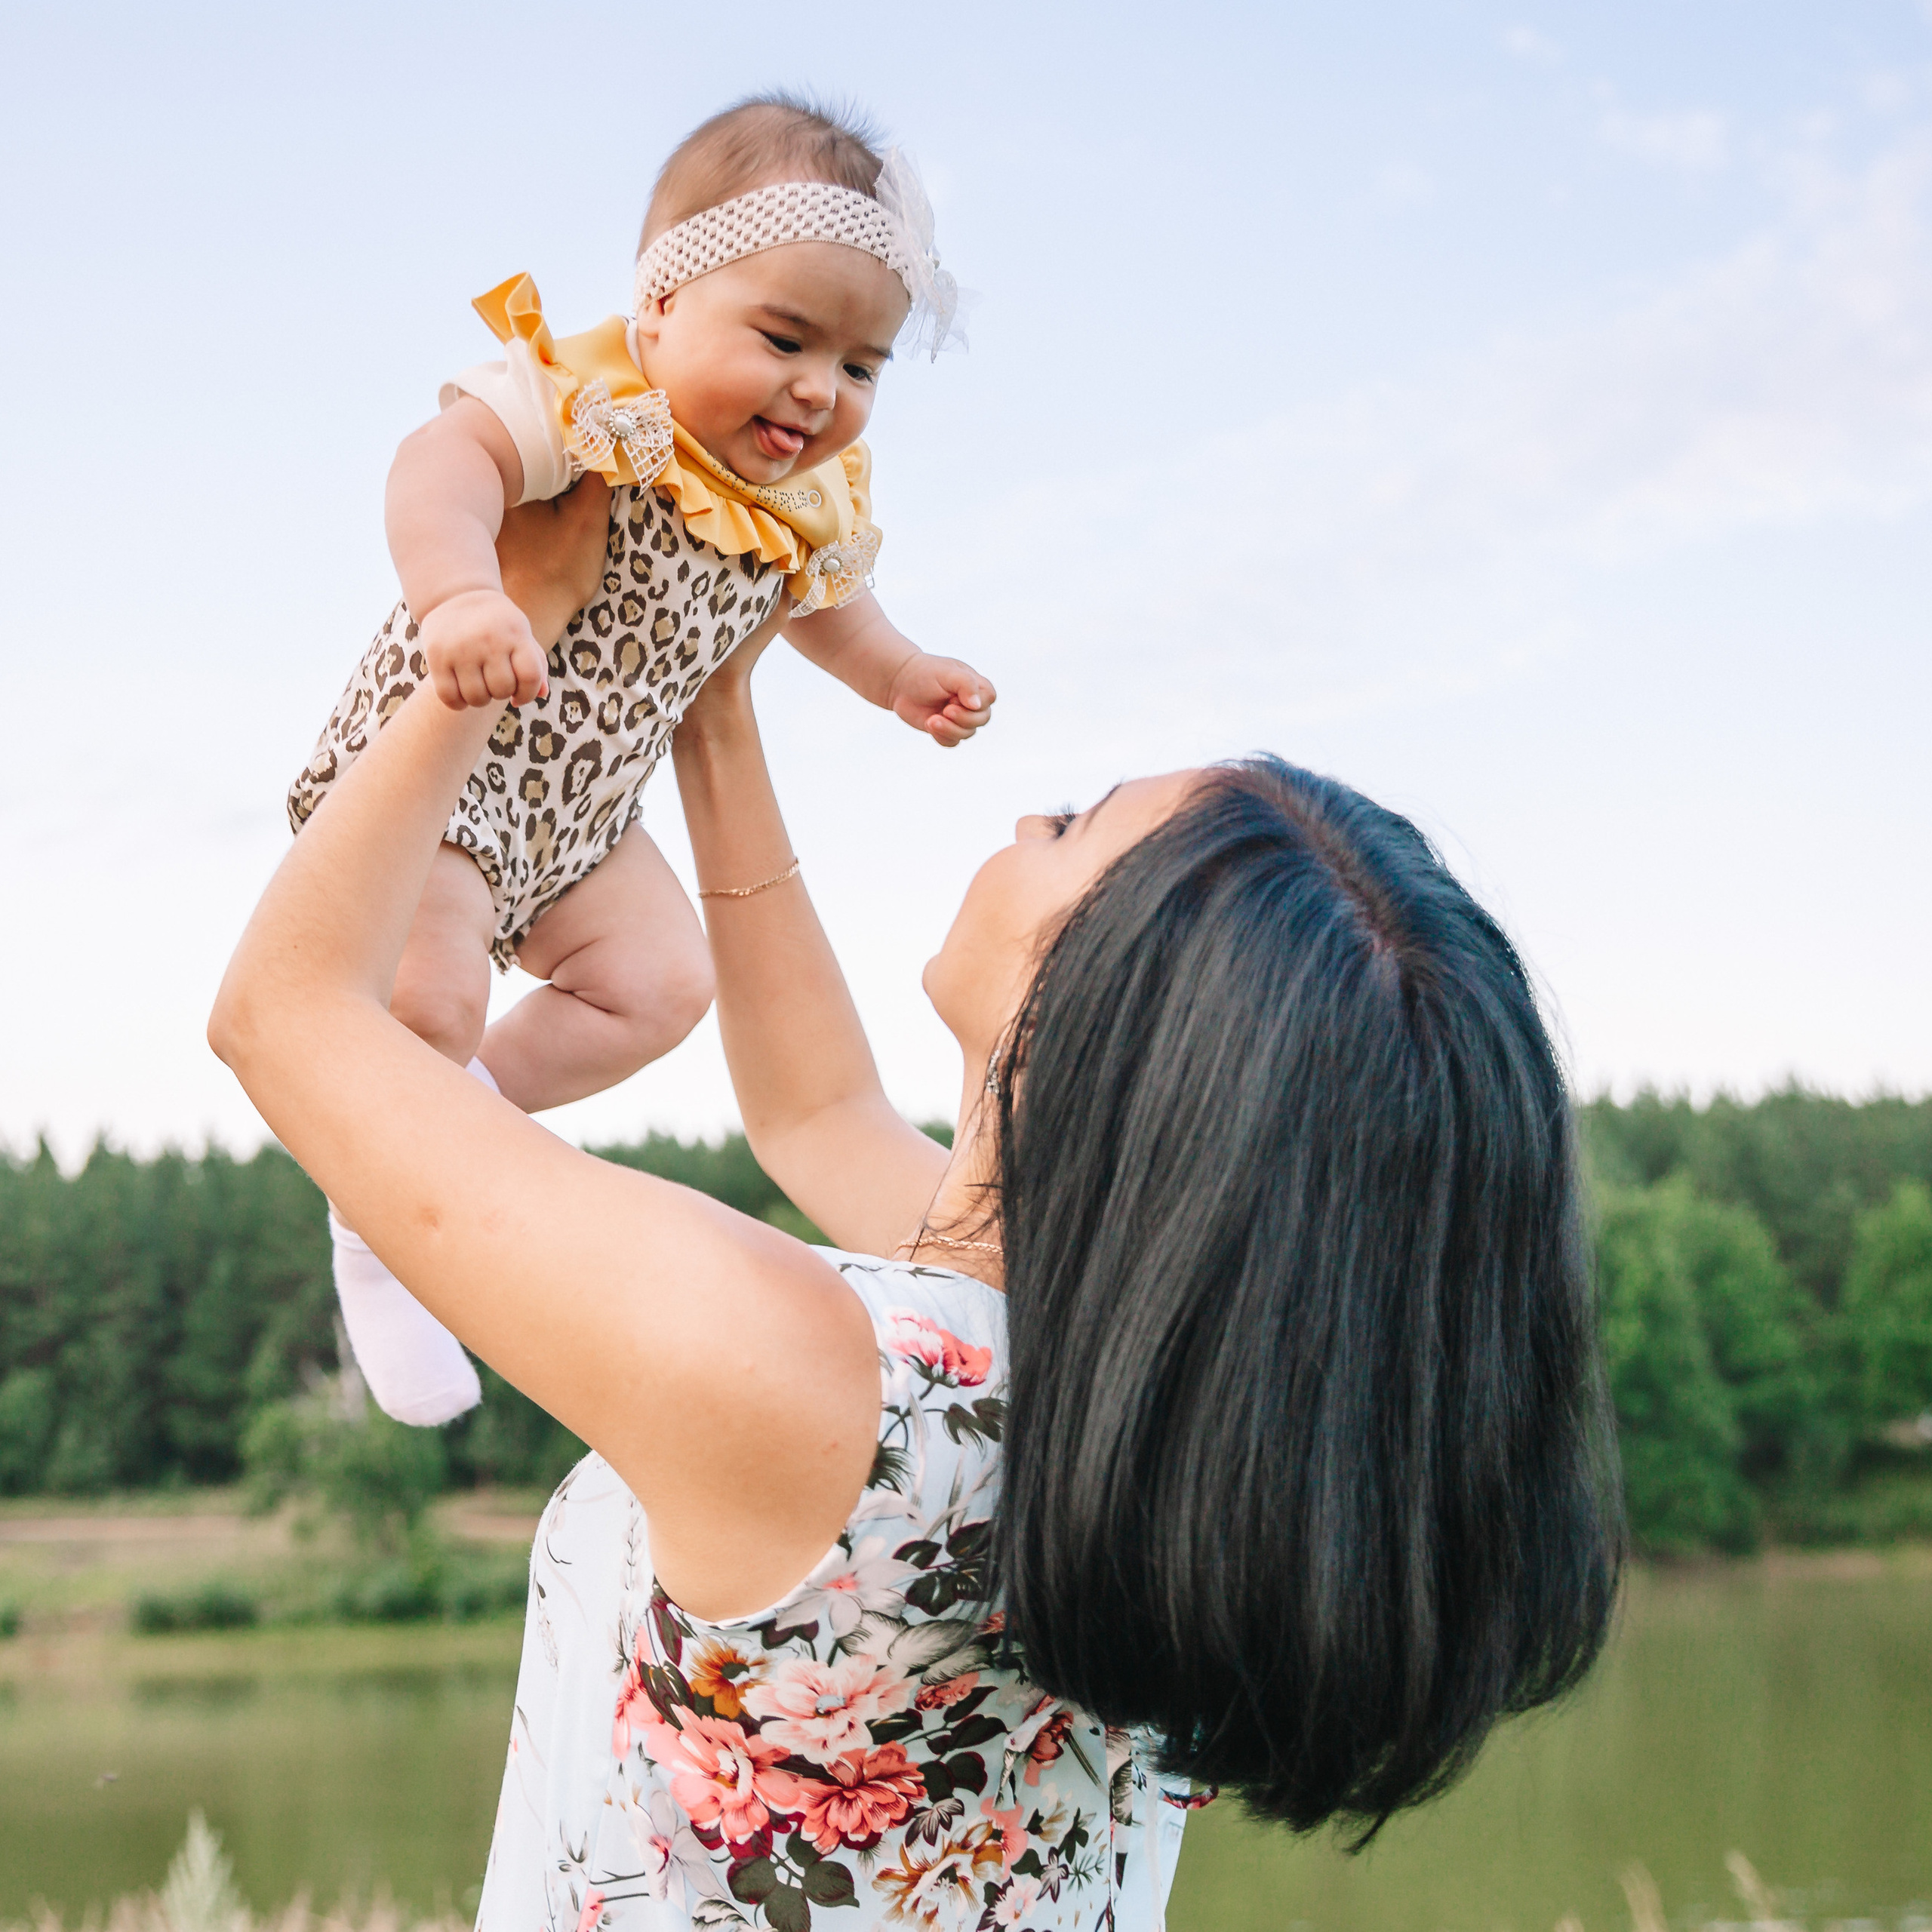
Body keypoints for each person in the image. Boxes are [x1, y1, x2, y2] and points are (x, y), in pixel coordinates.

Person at [210, 484, 1622, 1932]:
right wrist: (716, 702)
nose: (1025, 813)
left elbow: (286, 1017)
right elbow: (816, 1114)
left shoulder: (807, 1379)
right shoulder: (1139, 1385)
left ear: (1098, 1014)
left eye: (1071, 827)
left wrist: (496, 630)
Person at [287, 94, 995, 1427]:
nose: (816, 392)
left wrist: (900, 673)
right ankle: (378, 1226)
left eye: (861, 366)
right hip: (457, 754)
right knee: (424, 1006)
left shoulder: (807, 500)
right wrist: (459, 598)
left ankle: (462, 1120)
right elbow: (436, 463)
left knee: (663, 987)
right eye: (784, 338)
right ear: (661, 305)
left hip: (588, 810)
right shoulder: (596, 400)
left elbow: (825, 610)